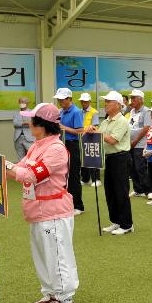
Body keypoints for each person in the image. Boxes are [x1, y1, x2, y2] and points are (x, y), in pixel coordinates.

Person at [4, 102, 79, 303]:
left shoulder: (55, 149)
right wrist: (3, 164)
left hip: (53, 210)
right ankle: (51, 292)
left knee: (57, 255)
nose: (28, 123)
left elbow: (28, 175)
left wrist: (6, 165)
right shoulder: (38, 145)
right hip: (37, 209)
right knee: (42, 254)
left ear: (42, 124)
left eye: (32, 120)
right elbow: (20, 169)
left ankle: (65, 298)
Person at [91, 91, 134, 236]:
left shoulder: (122, 121)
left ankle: (127, 224)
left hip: (121, 158)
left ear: (117, 104)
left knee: (121, 192)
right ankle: (116, 221)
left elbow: (112, 140)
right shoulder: (106, 121)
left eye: (108, 102)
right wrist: (94, 130)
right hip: (109, 158)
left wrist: (97, 133)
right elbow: (101, 135)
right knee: (110, 191)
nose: (105, 104)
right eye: (105, 101)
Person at [54, 88, 85, 216]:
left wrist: (63, 127)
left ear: (69, 99)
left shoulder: (76, 112)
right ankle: (67, 204)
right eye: (59, 99)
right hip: (62, 145)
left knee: (73, 176)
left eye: (62, 99)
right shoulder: (60, 111)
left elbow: (80, 131)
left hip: (72, 146)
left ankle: (78, 206)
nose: (60, 101)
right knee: (63, 176)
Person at [127, 89, 152, 199]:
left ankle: (149, 190)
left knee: (140, 167)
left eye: (134, 98)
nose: (131, 100)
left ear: (141, 100)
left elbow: (146, 128)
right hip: (131, 144)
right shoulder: (132, 112)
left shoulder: (146, 111)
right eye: (131, 98)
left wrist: (135, 141)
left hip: (140, 144)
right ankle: (138, 189)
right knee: (132, 168)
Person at [79, 93, 101, 187]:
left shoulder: (94, 112)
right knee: (83, 159)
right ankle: (85, 179)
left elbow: (95, 126)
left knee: (92, 158)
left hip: (91, 138)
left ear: (89, 101)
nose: (84, 103)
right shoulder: (79, 112)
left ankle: (96, 179)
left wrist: (86, 131)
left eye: (86, 101)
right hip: (80, 137)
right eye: (82, 101)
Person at [12, 96, 34, 161]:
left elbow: (31, 123)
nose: (22, 103)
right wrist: (25, 123)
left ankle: (30, 170)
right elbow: (15, 124)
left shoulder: (32, 112)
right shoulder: (16, 113)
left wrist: (22, 123)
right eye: (20, 101)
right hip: (18, 137)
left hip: (29, 138)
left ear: (27, 103)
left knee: (31, 157)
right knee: (20, 158)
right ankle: (21, 170)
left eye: (24, 102)